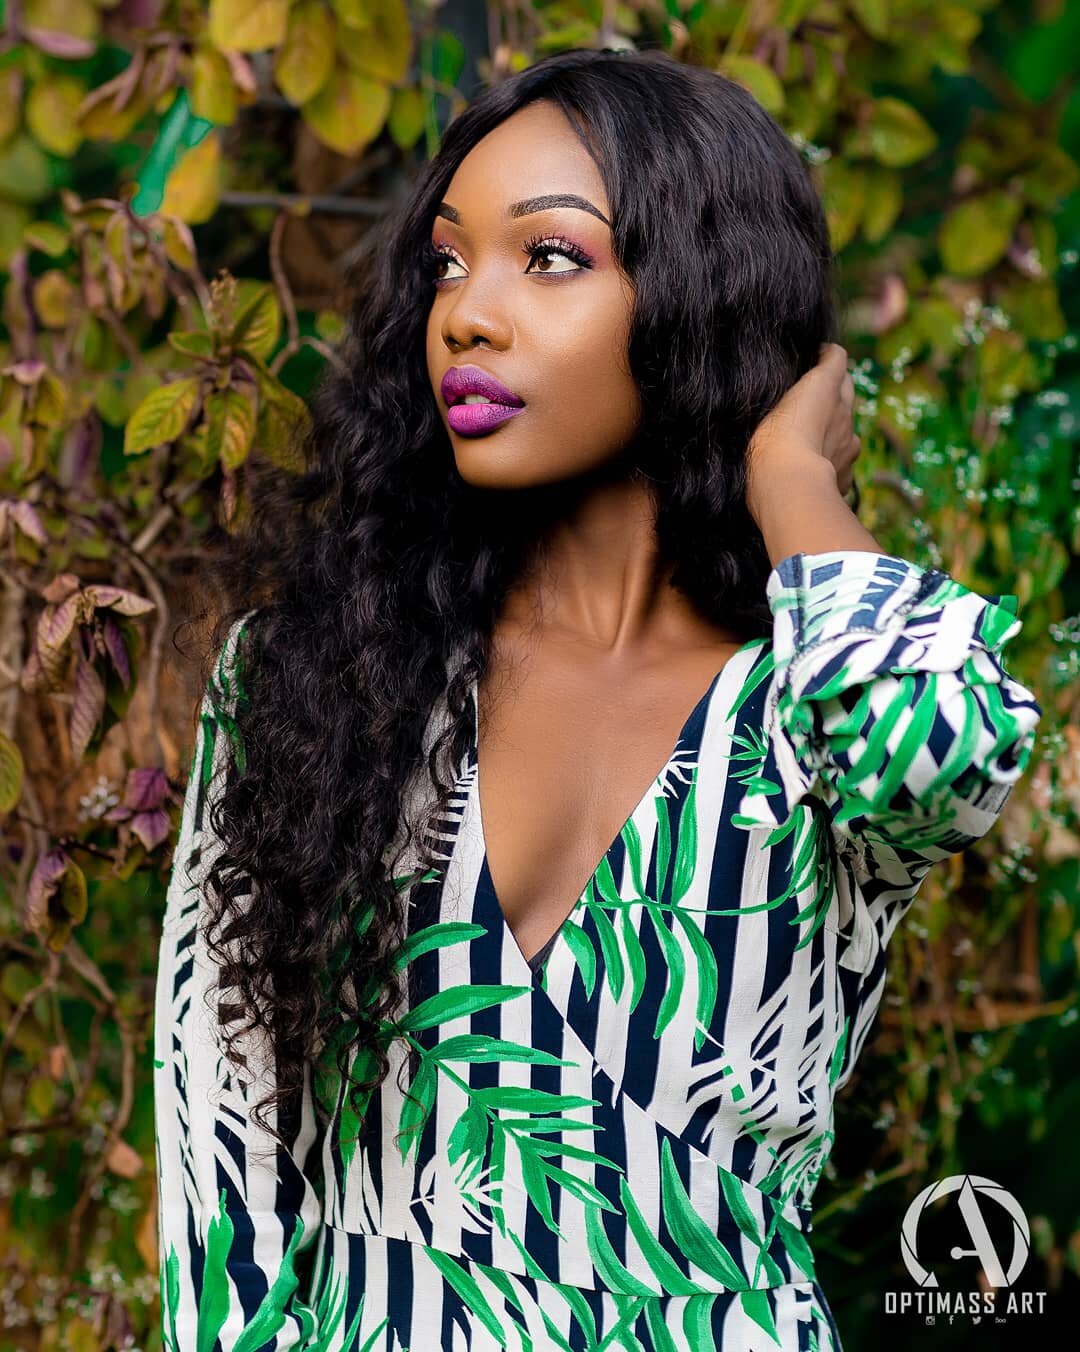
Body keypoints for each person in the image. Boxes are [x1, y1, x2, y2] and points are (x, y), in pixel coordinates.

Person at [153, 47, 1043, 1352]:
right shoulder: (316, 680)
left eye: (549, 256)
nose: (464, 312)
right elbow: (223, 1148)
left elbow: (949, 754)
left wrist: (791, 478)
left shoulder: (802, 709)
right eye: (449, 262)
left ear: (696, 297)